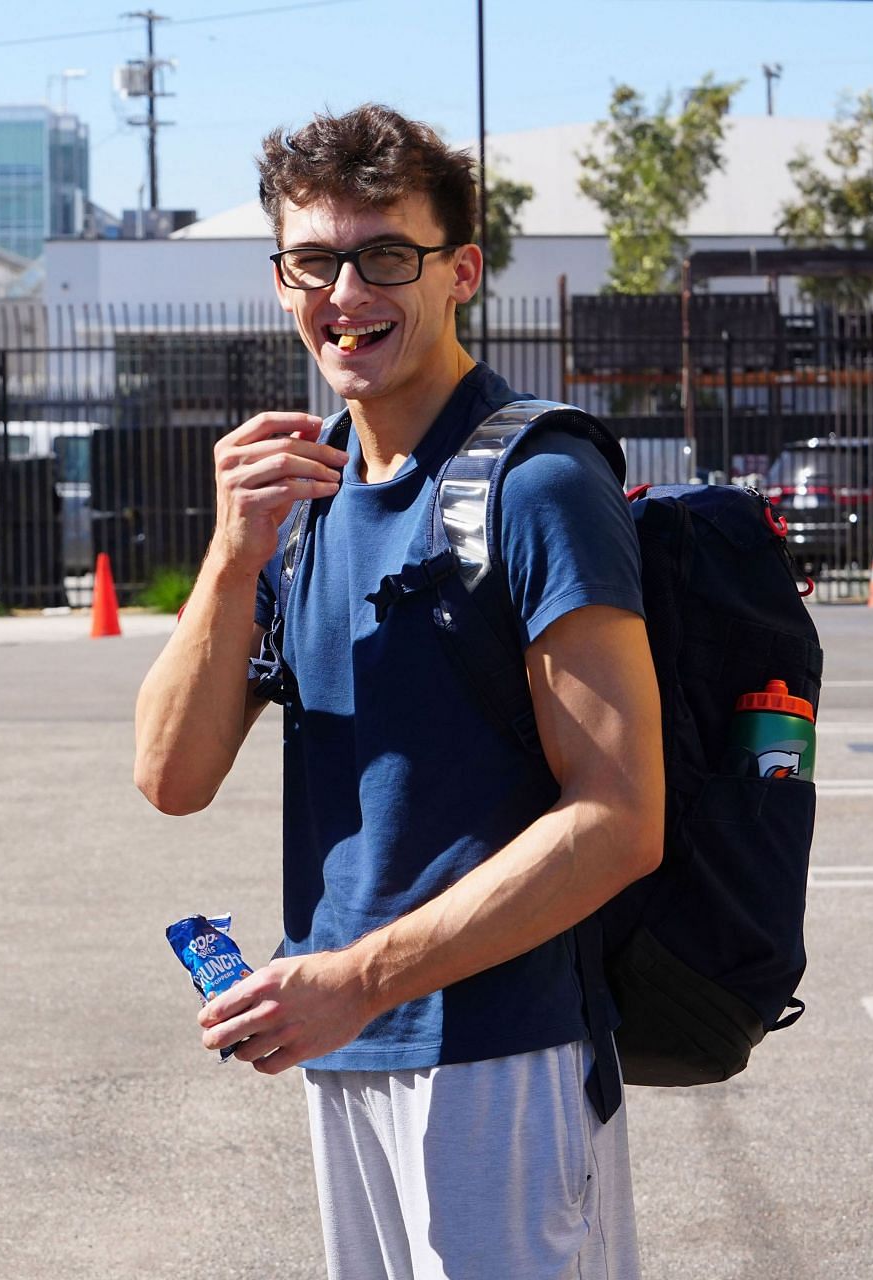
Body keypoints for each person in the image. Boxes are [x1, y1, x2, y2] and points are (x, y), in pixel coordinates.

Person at [134, 105, 663, 1280]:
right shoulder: (301, 496)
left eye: (386, 255)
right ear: (281, 280)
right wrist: (230, 554)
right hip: (348, 1044)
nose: (346, 291)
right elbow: (171, 776)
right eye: (313, 260)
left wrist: (358, 978)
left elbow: (620, 816)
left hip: (498, 1052)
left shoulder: (541, 483)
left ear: (462, 269)